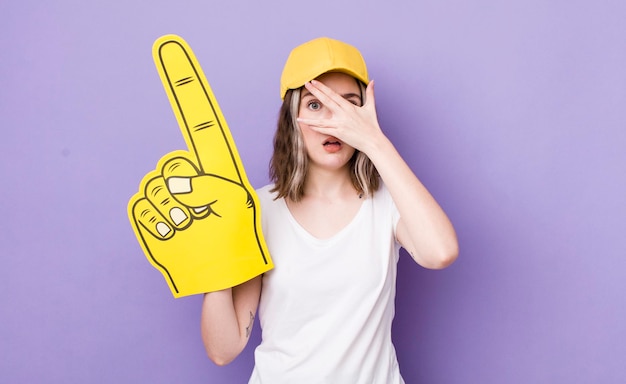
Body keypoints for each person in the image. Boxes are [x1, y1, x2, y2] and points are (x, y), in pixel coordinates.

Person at [200, 37, 458, 383]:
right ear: (292, 117)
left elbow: (440, 253)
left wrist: (375, 141)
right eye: (315, 105)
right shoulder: (256, 211)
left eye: (348, 105)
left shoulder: (390, 203)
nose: (332, 121)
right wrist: (211, 262)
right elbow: (224, 348)